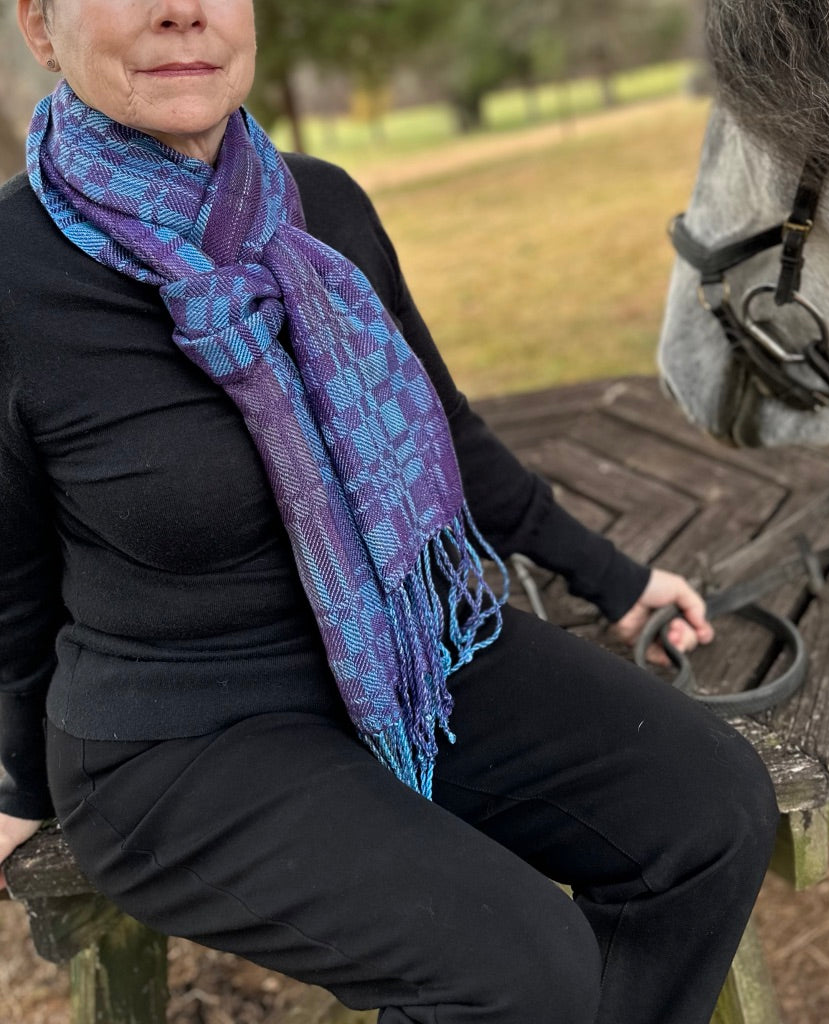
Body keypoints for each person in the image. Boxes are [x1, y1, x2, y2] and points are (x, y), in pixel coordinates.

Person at [0, 1, 779, 1022]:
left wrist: (615, 579)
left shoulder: (324, 205)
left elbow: (444, 433)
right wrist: (21, 782)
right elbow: (7, 577)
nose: (180, 8)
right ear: (39, 28)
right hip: (178, 737)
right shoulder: (15, 278)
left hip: (405, 646)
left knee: (709, 807)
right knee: (520, 969)